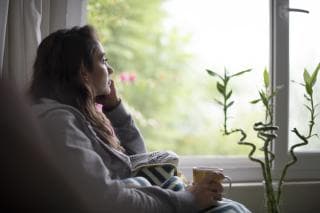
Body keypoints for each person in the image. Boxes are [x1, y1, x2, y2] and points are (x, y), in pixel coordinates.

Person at [28, 25, 250, 212]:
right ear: (83, 71)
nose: (110, 69)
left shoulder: (73, 117)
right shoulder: (57, 122)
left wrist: (114, 109)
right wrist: (188, 200)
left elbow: (135, 163)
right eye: (103, 60)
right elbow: (107, 201)